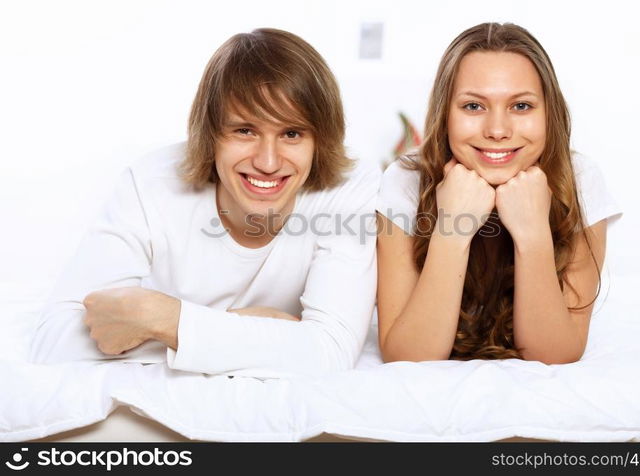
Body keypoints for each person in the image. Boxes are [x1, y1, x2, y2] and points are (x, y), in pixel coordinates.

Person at [29, 28, 380, 379]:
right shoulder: (151, 184)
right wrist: (247, 330)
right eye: (245, 130)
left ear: (320, 140)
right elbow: (54, 340)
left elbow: (329, 351)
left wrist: (162, 319)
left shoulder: (350, 187)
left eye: (292, 134)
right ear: (210, 134)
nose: (268, 162)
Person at [376, 22, 623, 365]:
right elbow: (408, 356)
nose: (497, 131)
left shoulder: (580, 179)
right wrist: (452, 229)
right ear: (445, 113)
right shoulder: (405, 178)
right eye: (473, 106)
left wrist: (532, 232)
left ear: (549, 113)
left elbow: (555, 353)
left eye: (521, 106)